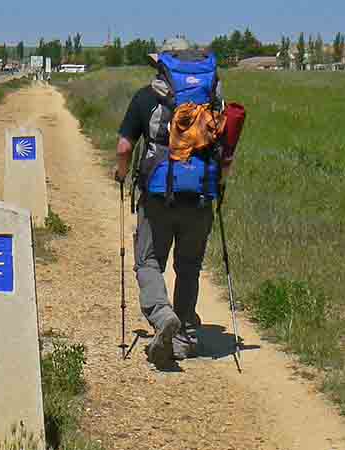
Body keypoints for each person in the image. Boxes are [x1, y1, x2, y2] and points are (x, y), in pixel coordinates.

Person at [114, 40, 231, 368]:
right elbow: (226, 148)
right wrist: (218, 183)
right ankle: (185, 335)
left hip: (158, 197)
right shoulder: (212, 100)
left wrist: (120, 174)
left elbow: (124, 148)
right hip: (201, 195)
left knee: (148, 261)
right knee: (189, 265)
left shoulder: (146, 98)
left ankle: (163, 316)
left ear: (161, 65)